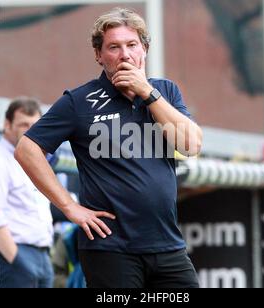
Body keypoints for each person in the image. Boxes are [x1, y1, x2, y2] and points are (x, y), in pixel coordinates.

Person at [16, 8, 202, 288]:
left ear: (145, 49)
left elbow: (191, 144)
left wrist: (148, 93)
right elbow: (26, 149)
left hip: (167, 244)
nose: (125, 54)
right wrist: (68, 206)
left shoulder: (166, 91)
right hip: (110, 248)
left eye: (132, 45)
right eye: (114, 47)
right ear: (98, 55)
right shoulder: (79, 101)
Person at [0, 98, 54, 288]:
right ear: (7, 125)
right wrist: (16, 260)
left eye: (34, 124)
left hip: (42, 255)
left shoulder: (33, 160)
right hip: (11, 255)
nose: (29, 129)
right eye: (23, 124)